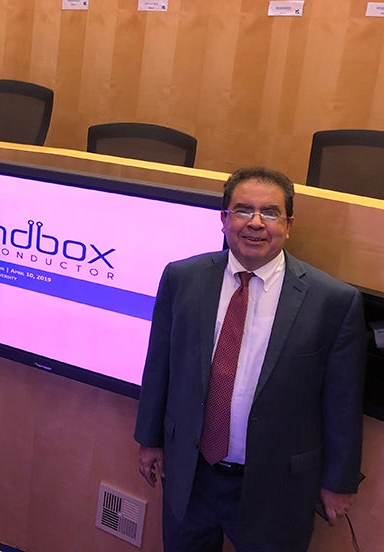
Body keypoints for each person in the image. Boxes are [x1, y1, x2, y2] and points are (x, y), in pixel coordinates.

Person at [134, 166, 366, 550]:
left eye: (270, 212)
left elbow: (343, 402)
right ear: (224, 219)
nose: (255, 223)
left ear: (289, 225)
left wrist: (337, 482)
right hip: (190, 476)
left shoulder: (332, 302)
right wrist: (149, 440)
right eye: (242, 210)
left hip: (277, 487)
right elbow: (159, 365)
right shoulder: (182, 278)